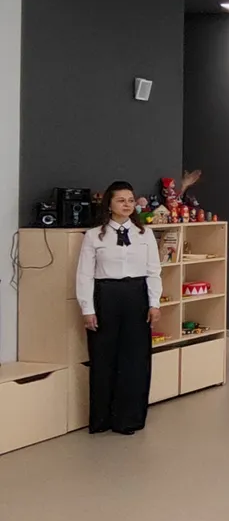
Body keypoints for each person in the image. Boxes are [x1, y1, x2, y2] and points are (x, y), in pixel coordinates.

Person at [75, 181, 162, 435]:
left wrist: (154, 303)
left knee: (135, 358)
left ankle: (129, 418)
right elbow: (84, 275)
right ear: (109, 204)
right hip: (106, 295)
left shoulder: (145, 234)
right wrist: (87, 308)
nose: (127, 205)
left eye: (131, 200)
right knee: (103, 356)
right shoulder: (94, 235)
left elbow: (154, 271)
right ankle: (102, 418)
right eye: (121, 200)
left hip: (136, 295)